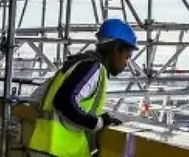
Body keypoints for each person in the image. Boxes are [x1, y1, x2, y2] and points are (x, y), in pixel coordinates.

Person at [27, 18, 138, 157]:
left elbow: (35, 98)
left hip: (40, 148)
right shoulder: (94, 68)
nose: (126, 63)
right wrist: (98, 122)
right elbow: (63, 101)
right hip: (60, 153)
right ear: (116, 50)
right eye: (127, 57)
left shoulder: (73, 66)